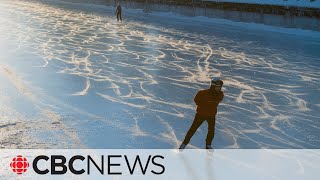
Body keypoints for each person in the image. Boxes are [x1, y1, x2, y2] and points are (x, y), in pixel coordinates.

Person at [179, 78, 224, 150]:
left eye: (220, 87)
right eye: (218, 87)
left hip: (211, 115)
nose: (219, 88)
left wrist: (206, 103)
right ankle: (184, 143)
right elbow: (196, 100)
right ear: (213, 86)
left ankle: (208, 145)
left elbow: (217, 100)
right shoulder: (202, 93)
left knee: (211, 130)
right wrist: (203, 106)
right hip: (201, 114)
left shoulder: (220, 94)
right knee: (193, 129)